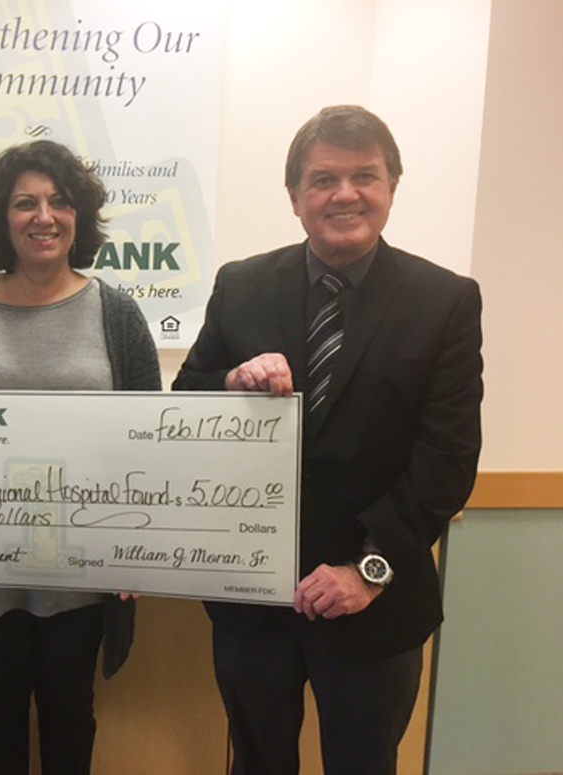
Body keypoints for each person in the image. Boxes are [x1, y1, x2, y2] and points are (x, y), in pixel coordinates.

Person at [173, 105, 483, 774]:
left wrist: (366, 570)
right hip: (252, 603)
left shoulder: (444, 301)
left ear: (392, 187)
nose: (344, 194)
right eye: (322, 179)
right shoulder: (240, 285)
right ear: (294, 197)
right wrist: (231, 379)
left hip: (376, 604)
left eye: (363, 176)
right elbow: (185, 406)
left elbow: (447, 459)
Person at [0, 139, 161, 775]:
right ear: (1, 219)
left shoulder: (118, 314)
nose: (43, 216)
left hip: (82, 566)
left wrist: (141, 552)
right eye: (25, 203)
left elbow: (150, 442)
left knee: (69, 711)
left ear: (79, 218)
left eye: (59, 202)